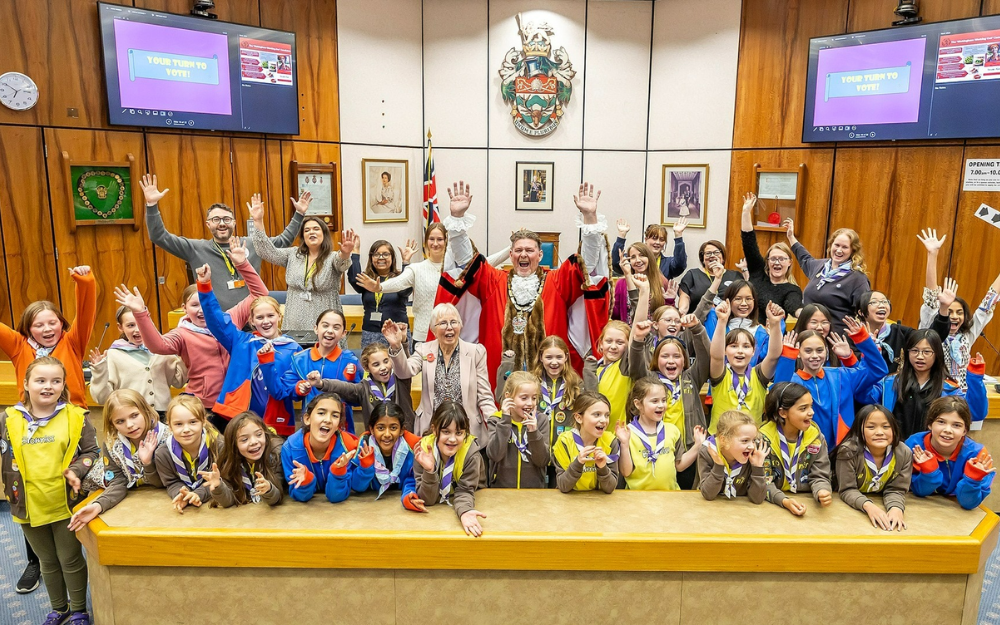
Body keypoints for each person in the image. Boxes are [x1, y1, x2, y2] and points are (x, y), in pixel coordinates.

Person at [434, 181, 611, 383]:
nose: (523, 254)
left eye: (529, 250)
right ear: (510, 255)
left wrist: (589, 218)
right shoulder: (494, 281)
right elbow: (466, 261)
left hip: (549, 376)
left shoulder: (557, 281)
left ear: (540, 254)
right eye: (518, 250)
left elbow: (586, 265)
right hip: (500, 379)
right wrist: (457, 219)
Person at [117, 236, 268, 429]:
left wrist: (243, 264)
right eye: (194, 305)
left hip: (236, 402)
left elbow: (260, 295)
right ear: (184, 308)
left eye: (203, 304)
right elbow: (157, 346)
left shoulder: (230, 318)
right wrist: (140, 313)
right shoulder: (182, 333)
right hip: (204, 407)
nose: (201, 310)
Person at [1, 357, 98, 625]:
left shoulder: (76, 416)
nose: (48, 386)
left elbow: (91, 451)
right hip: (26, 504)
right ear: (26, 384)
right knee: (47, 561)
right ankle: (59, 608)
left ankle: (79, 610)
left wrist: (76, 471)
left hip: (65, 502)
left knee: (69, 559)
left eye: (56, 381)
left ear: (64, 385)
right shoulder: (8, 419)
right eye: (40, 380)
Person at [140, 174, 306, 311]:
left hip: (252, 321)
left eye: (227, 219)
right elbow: (159, 236)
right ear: (208, 224)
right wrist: (152, 205)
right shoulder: (195, 248)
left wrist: (299, 214)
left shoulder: (252, 244)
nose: (222, 223)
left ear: (234, 223)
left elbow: (284, 240)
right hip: (215, 325)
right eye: (216, 219)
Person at [353, 223, 511, 344]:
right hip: (424, 337)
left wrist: (512, 246)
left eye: (440, 239)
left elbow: (489, 261)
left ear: (447, 241)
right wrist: (379, 287)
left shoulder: (458, 270)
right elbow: (399, 282)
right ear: (426, 242)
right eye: (432, 239)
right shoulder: (417, 269)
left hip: (453, 336)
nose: (436, 243)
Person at [197, 266, 299, 435]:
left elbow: (291, 388)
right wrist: (205, 286)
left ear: (279, 317)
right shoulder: (241, 341)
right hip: (236, 417)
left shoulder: (293, 348)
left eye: (270, 316)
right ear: (252, 321)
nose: (265, 321)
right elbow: (216, 320)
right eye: (259, 317)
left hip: (275, 421)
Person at [248, 192, 356, 333]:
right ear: (303, 236)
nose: (311, 232)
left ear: (324, 234)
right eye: (307, 230)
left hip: (325, 322)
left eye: (316, 229)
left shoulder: (332, 257)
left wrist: (346, 252)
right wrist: (258, 222)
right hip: (295, 319)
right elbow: (266, 252)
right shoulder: (293, 254)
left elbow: (342, 263)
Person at [386, 303, 496, 439]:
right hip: (431, 429)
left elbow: (484, 396)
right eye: (443, 323)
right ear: (433, 329)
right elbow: (404, 372)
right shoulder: (423, 350)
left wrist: (495, 422)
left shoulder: (476, 352)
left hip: (467, 430)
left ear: (460, 326)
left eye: (453, 322)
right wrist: (396, 346)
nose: (449, 327)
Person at [629, 307, 710, 490]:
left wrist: (697, 329)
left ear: (685, 360)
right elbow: (635, 366)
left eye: (677, 356)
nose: (671, 361)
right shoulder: (650, 380)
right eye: (665, 356)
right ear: (657, 360)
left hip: (689, 448)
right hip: (658, 447)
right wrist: (638, 339)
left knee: (687, 496)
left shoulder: (691, 378)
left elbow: (706, 357)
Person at [773, 318, 887, 447]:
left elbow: (878, 369)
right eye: (808, 351)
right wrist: (787, 357)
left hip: (841, 449)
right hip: (802, 450)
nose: (815, 355)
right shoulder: (792, 380)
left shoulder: (842, 375)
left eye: (820, 350)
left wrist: (862, 339)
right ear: (798, 353)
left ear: (827, 351)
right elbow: (777, 393)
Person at [71, 390, 170, 529]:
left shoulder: (168, 439)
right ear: (112, 425)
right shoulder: (112, 444)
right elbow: (117, 482)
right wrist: (98, 505)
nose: (129, 425)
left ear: (146, 411)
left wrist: (147, 463)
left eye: (134, 415)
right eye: (120, 421)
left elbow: (166, 482)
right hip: (128, 495)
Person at [863, 330, 987, 440]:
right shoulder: (890, 382)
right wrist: (869, 355)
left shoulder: (949, 389)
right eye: (915, 351)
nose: (920, 356)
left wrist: (975, 379)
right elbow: (863, 394)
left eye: (927, 352)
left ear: (937, 354)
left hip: (930, 454)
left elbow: (975, 414)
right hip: (895, 451)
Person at [0, 266, 96, 409]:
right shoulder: (19, 345)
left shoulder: (72, 342)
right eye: (38, 325)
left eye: (52, 323)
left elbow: (86, 312)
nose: (47, 329)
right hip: (32, 420)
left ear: (61, 323)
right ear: (28, 329)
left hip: (73, 418)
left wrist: (85, 282)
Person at [918, 228, 1000, 391]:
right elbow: (931, 294)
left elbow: (988, 303)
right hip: (933, 394)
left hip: (961, 397)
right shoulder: (929, 329)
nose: (954, 317)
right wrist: (932, 255)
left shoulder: (967, 335)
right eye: (949, 312)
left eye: (959, 312)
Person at [258, 309, 362, 434]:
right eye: (325, 325)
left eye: (336, 327)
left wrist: (349, 382)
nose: (329, 330)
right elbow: (279, 391)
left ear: (343, 333)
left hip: (342, 433)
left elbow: (359, 399)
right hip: (310, 432)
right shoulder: (300, 360)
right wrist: (298, 388)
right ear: (316, 329)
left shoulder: (350, 361)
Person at [307, 333, 416, 433]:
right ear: (366, 367)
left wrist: (403, 342)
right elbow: (343, 387)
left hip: (405, 436)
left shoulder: (401, 378)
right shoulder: (364, 388)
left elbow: (404, 363)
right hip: (377, 441)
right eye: (376, 364)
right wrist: (321, 383)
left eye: (386, 361)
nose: (383, 367)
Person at [89, 306, 187, 415]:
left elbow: (179, 381)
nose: (137, 329)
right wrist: (99, 371)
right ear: (120, 327)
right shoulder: (114, 354)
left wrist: (185, 355)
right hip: (131, 417)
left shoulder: (162, 350)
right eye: (130, 325)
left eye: (141, 324)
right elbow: (102, 398)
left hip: (164, 417)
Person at [413, 401, 488, 537]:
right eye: (446, 432)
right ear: (435, 430)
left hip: (469, 500)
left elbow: (465, 491)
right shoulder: (422, 451)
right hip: (436, 507)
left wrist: (465, 512)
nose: (452, 439)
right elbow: (427, 500)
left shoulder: (472, 455)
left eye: (459, 433)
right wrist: (429, 471)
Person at [616, 378, 706, 491]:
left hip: (670, 497)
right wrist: (624, 444)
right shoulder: (628, 433)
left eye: (663, 400)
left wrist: (698, 445)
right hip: (637, 500)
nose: (661, 405)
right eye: (654, 401)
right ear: (638, 404)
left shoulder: (672, 431)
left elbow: (679, 465)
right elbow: (626, 471)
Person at [708, 300, 784, 430]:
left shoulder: (759, 376)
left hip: (751, 442)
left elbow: (773, 356)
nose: (740, 351)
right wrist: (721, 321)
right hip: (720, 441)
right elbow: (716, 356)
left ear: (753, 351)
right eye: (733, 346)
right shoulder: (720, 375)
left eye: (746, 346)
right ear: (725, 350)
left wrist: (775, 323)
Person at [758, 383, 833, 516]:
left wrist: (822, 490)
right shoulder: (762, 439)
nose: (811, 412)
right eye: (803, 408)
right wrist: (784, 501)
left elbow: (820, 475)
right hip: (771, 506)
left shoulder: (816, 437)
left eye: (811, 406)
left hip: (807, 503)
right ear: (782, 413)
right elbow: (763, 481)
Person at [784, 219, 870, 334]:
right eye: (837, 245)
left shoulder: (857, 278)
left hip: (834, 338)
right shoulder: (820, 266)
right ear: (831, 245)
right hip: (807, 334)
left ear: (852, 250)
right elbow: (804, 258)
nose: (839, 250)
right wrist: (791, 237)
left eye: (844, 247)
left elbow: (864, 313)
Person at [906, 396, 994, 510]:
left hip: (957, 509)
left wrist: (972, 480)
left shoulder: (978, 455)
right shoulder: (914, 445)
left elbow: (968, 504)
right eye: (941, 422)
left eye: (956, 425)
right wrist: (929, 472)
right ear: (930, 424)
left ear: (965, 431)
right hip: (922, 506)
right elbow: (919, 491)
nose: (947, 430)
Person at [836, 405, 911, 531]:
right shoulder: (848, 451)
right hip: (850, 506)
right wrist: (869, 507)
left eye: (886, 427)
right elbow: (847, 489)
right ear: (859, 430)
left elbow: (896, 489)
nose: (880, 432)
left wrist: (896, 508)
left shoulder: (903, 453)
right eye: (871, 427)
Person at [281, 392, 359, 503]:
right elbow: (300, 497)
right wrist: (306, 480)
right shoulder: (289, 450)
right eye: (321, 413)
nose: (327, 420)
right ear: (307, 419)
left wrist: (338, 472)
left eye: (335, 415)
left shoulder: (348, 448)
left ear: (338, 425)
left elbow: (336, 497)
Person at [153, 395, 223, 514]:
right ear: (169, 426)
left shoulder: (219, 446)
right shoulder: (163, 454)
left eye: (193, 422)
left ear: (203, 421)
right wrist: (182, 495)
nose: (186, 429)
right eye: (178, 424)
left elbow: (222, 480)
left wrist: (198, 494)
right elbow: (172, 482)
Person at [739, 192, 802, 322]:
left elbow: (793, 305)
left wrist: (804, 313)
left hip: (769, 336)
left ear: (789, 262)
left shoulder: (792, 290)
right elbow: (749, 243)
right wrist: (745, 212)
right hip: (743, 331)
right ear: (767, 261)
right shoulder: (758, 273)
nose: (777, 262)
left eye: (782, 259)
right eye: (773, 259)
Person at [350, 403, 424, 510]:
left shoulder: (410, 450)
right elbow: (357, 487)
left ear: (402, 430)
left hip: (396, 508)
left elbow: (411, 479)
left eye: (393, 428)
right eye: (381, 428)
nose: (387, 434)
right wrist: (365, 467)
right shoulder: (364, 447)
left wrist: (409, 494)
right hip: (367, 507)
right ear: (372, 430)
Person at [205, 411, 284, 507]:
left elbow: (276, 499)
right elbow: (228, 502)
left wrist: (269, 489)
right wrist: (218, 486)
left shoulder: (275, 455)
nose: (254, 442)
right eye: (244, 439)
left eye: (259, 434)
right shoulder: (229, 461)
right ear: (234, 445)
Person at [487, 371, 549, 488]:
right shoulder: (496, 420)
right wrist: (505, 421)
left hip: (534, 492)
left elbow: (542, 461)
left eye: (534, 398)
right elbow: (495, 455)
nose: (530, 403)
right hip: (501, 491)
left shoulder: (541, 420)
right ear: (508, 397)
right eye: (524, 398)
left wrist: (534, 432)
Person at [348, 237, 413, 348]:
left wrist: (406, 262)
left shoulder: (399, 278)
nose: (381, 258)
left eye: (385, 254)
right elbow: (354, 279)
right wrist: (355, 252)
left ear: (392, 257)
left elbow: (405, 289)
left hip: (397, 333)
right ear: (371, 258)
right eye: (376, 254)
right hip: (371, 333)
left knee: (401, 365)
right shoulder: (367, 280)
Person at [552, 391, 621, 494]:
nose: (603, 420)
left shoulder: (610, 441)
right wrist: (578, 463)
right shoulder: (565, 442)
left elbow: (610, 488)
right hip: (569, 502)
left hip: (599, 502)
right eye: (596, 414)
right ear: (579, 418)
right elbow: (563, 486)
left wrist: (602, 468)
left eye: (606, 415)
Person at [697, 409, 768, 503]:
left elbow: (757, 499)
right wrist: (718, 466)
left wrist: (758, 468)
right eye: (745, 441)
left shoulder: (753, 454)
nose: (751, 446)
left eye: (753, 440)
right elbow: (708, 494)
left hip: (741, 510)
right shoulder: (707, 452)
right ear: (724, 440)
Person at [611, 241, 672, 324]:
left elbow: (667, 314)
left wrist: (670, 301)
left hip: (653, 333)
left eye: (642, 255)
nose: (638, 260)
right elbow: (616, 315)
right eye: (633, 257)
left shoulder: (661, 281)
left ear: (649, 258)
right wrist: (609, 302)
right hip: (629, 333)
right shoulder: (621, 283)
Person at [677, 240, 742, 315]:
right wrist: (682, 312)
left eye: (716, 252)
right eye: (708, 253)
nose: (712, 255)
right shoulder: (692, 274)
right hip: (698, 321)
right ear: (703, 259)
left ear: (723, 258)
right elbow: (684, 298)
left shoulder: (735, 275)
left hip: (729, 321)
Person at [857, 290, 914, 375]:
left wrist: (941, 311)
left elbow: (928, 337)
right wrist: (868, 347)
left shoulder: (900, 332)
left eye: (884, 301)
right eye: (874, 302)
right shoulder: (853, 335)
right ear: (861, 312)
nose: (882, 305)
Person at [611, 219, 688, 279]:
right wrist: (621, 235)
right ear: (646, 239)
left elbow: (680, 265)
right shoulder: (635, 259)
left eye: (661, 239)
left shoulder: (667, 263)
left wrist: (678, 236)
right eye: (654, 238)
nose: (657, 242)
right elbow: (616, 263)